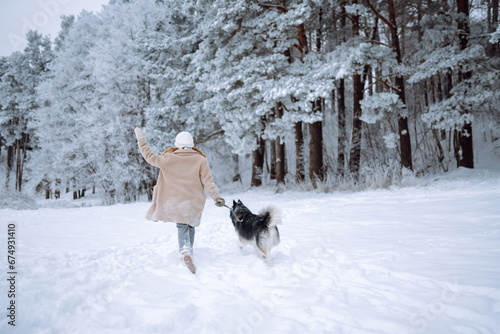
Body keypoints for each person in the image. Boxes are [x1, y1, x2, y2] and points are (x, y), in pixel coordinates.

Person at [134, 128, 225, 274]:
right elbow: (208, 181)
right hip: (194, 201)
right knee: (190, 225)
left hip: (176, 201)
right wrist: (217, 197)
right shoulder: (201, 159)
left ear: (177, 144)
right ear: (192, 144)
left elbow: (149, 156)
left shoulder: (169, 158)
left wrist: (141, 139)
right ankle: (189, 250)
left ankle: (185, 251)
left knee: (182, 226)